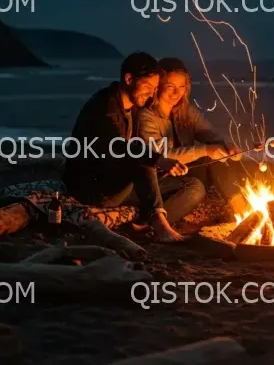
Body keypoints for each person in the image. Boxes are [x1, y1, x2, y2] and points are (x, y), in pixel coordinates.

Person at [62, 52, 204, 242]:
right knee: (142, 160)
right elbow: (120, 147)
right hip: (94, 189)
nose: (151, 93)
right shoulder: (104, 107)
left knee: (193, 186)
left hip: (121, 184)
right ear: (129, 79)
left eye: (154, 88)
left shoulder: (135, 108)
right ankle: (160, 227)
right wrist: (159, 160)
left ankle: (146, 223)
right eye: (147, 86)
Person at [136, 57, 251, 217]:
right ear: (157, 86)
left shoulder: (185, 111)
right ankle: (155, 224)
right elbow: (162, 157)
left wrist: (229, 148)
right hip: (158, 179)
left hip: (183, 172)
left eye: (182, 87)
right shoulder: (146, 117)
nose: (177, 93)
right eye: (170, 86)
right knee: (196, 187)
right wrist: (205, 150)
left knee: (219, 160)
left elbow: (211, 136)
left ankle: (244, 212)